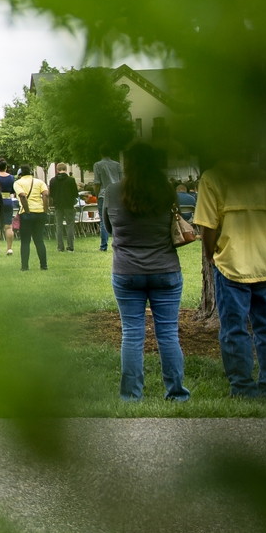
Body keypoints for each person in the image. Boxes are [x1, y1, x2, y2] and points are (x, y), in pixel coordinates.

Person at [194, 159, 266, 399]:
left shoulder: (212, 178)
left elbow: (208, 225)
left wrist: (210, 254)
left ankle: (243, 388)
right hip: (264, 261)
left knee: (234, 330)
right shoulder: (264, 178)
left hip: (232, 262)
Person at [108, 142, 189, 401]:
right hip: (165, 269)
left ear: (127, 164)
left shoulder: (112, 191)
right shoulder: (166, 190)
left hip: (126, 270)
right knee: (168, 333)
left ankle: (131, 396)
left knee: (131, 334)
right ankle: (176, 393)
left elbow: (109, 228)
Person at [12, 165, 50, 271]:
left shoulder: (18, 183)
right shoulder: (39, 182)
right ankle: (44, 265)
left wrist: (27, 211)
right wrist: (45, 210)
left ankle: (25, 266)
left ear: (20, 174)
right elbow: (45, 195)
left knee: (25, 241)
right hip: (40, 212)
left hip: (26, 213)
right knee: (39, 240)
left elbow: (22, 196)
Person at [92, 152, 123, 252]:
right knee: (117, 219)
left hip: (103, 194)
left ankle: (103, 246)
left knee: (103, 220)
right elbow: (121, 180)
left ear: (101, 153)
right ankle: (119, 244)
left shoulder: (97, 165)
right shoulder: (117, 165)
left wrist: (97, 195)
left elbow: (97, 183)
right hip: (117, 194)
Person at [49, 164, 80, 251]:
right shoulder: (71, 180)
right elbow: (75, 193)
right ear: (66, 169)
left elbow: (51, 194)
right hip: (69, 205)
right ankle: (70, 246)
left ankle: (60, 247)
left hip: (58, 205)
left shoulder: (52, 180)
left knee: (58, 225)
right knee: (70, 225)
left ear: (57, 170)